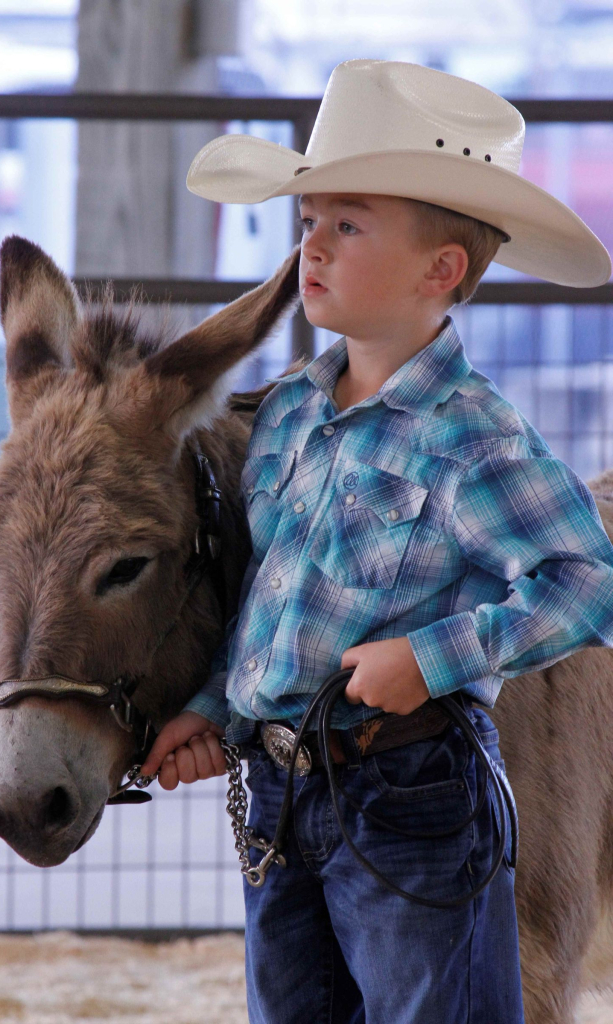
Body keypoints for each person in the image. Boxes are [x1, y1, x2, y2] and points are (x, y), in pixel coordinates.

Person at [140, 60, 613, 1023]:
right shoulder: (288, 417)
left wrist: (432, 659)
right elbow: (276, 599)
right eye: (308, 221)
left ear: (441, 271)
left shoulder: (474, 436)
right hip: (279, 798)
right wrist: (210, 708)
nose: (310, 247)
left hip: (414, 791)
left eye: (347, 225)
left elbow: (585, 581)